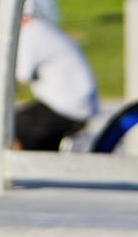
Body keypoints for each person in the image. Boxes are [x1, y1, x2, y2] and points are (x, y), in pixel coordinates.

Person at [14, 11, 99, 151]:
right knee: (30, 122)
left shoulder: (31, 33)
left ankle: (17, 169)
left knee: (12, 125)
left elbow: (20, 75)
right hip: (77, 104)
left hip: (67, 107)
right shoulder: (42, 28)